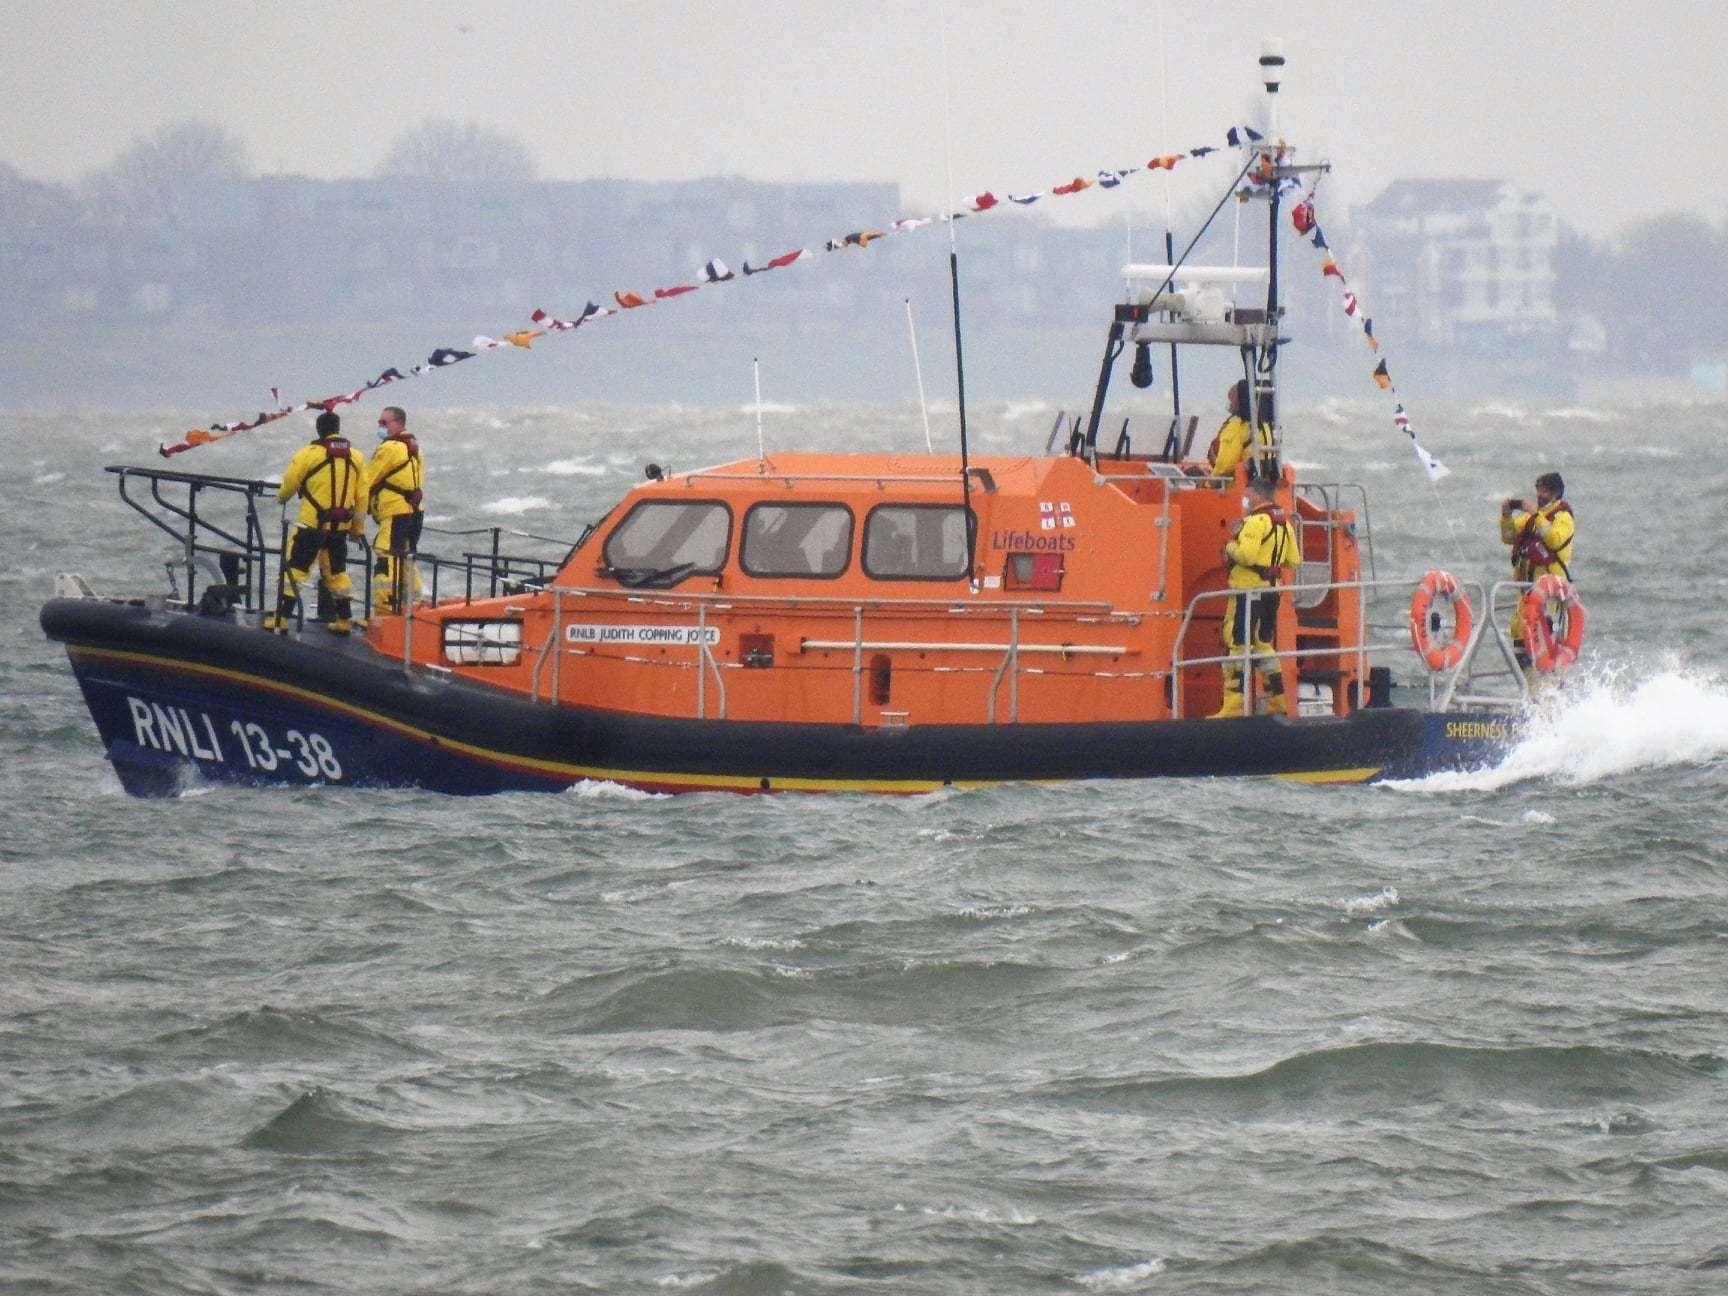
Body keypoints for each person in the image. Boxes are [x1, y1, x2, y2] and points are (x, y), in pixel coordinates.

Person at [268, 410, 366, 635]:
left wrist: (281, 497)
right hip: (339, 528)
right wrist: (357, 528)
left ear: (319, 430)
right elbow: (362, 497)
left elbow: (289, 484)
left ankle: (281, 618)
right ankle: (344, 620)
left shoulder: (308, 453)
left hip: (311, 526)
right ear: (338, 429)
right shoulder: (357, 457)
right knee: (337, 573)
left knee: (297, 570)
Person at [1210, 473, 1300, 718]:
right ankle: (1278, 701)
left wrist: (1229, 547)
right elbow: (1294, 559)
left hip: (1247, 592)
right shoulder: (1284, 523)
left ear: (1258, 496)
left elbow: (1247, 556)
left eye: (1248, 495)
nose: (1245, 499)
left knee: (1236, 644)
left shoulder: (1254, 522)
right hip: (1272, 592)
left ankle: (1232, 705)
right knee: (1263, 645)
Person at [1499, 471, 1575, 672]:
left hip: (1550, 592)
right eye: (1538, 490)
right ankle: (1528, 686)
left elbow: (1554, 539)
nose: (1540, 494)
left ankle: (1546, 686)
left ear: (1555, 493)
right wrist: (1506, 515)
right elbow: (1508, 537)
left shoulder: (1563, 517)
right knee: (1519, 630)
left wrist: (1536, 516)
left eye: (1545, 491)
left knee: (1544, 634)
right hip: (1527, 589)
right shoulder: (1530, 518)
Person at [365, 405, 426, 613]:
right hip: (414, 512)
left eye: (384, 423)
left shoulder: (389, 448)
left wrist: (355, 509)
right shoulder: (414, 447)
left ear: (398, 423)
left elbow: (367, 480)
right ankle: (414, 605)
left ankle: (384, 611)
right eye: (379, 422)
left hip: (396, 512)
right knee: (407, 558)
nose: (380, 426)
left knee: (386, 557)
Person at [1202, 379, 1276, 479]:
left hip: (1239, 484)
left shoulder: (1236, 427)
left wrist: (1209, 480)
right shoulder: (1267, 427)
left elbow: (1225, 465)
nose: (1229, 405)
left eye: (1231, 401)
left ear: (1238, 401)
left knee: (1192, 473)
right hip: (1262, 481)